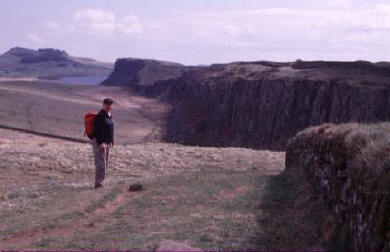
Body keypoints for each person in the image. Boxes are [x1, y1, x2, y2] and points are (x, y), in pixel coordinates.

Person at [92, 98, 114, 188]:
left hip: (107, 142)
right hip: (100, 142)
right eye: (107, 104)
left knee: (105, 162)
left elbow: (110, 128)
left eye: (110, 104)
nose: (109, 106)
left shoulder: (109, 115)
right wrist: (101, 143)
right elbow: (98, 131)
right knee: (101, 163)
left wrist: (111, 139)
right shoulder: (99, 116)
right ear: (103, 104)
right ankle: (98, 183)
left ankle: (101, 181)